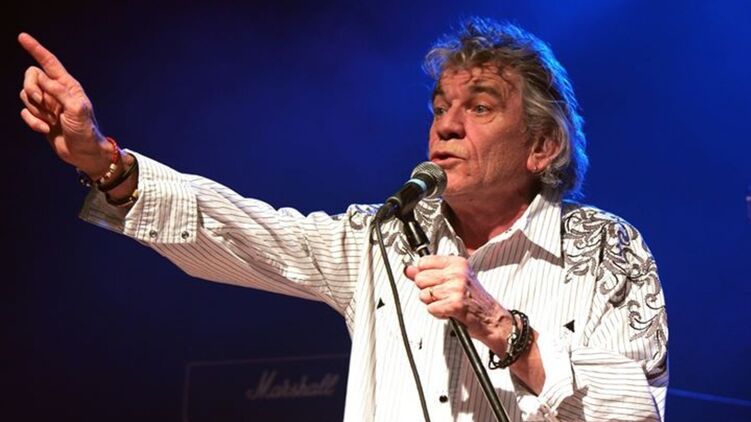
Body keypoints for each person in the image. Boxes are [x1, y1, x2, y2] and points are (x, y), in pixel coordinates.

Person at [18, 18, 668, 422]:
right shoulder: (383, 237)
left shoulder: (606, 249)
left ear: (541, 146)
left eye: (479, 106)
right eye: (440, 106)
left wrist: (501, 328)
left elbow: (636, 413)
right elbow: (246, 231)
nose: (446, 125)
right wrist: (105, 162)